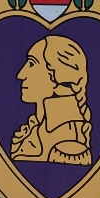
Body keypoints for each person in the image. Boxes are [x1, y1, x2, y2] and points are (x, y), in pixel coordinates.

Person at [10, 36, 92, 165]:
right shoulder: (36, 128)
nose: (21, 74)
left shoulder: (68, 143)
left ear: (58, 76)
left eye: (31, 63)